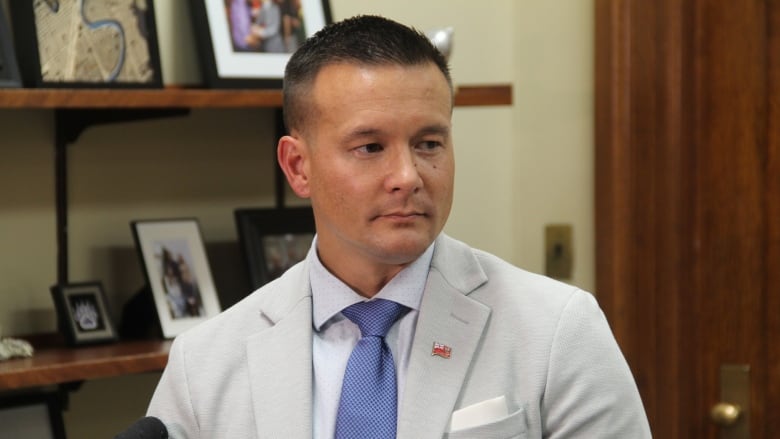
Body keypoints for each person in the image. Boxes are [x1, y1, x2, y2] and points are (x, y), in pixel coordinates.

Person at [145, 15, 652, 438]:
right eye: (370, 147)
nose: (407, 177)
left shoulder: (557, 330)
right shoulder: (204, 366)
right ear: (298, 167)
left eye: (429, 143)